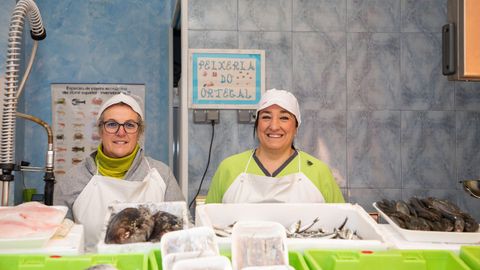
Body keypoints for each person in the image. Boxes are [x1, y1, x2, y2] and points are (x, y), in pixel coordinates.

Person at [54, 93, 184, 250]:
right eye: (111, 124)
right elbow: (58, 243)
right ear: (100, 130)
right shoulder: (72, 180)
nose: (121, 132)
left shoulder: (162, 175)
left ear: (139, 132)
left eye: (129, 125)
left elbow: (181, 235)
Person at [205, 89, 344, 204]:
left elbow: (341, 224)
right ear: (257, 124)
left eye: (284, 118)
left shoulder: (319, 172)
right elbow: (208, 227)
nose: (274, 126)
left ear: (296, 127)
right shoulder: (229, 168)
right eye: (266, 117)